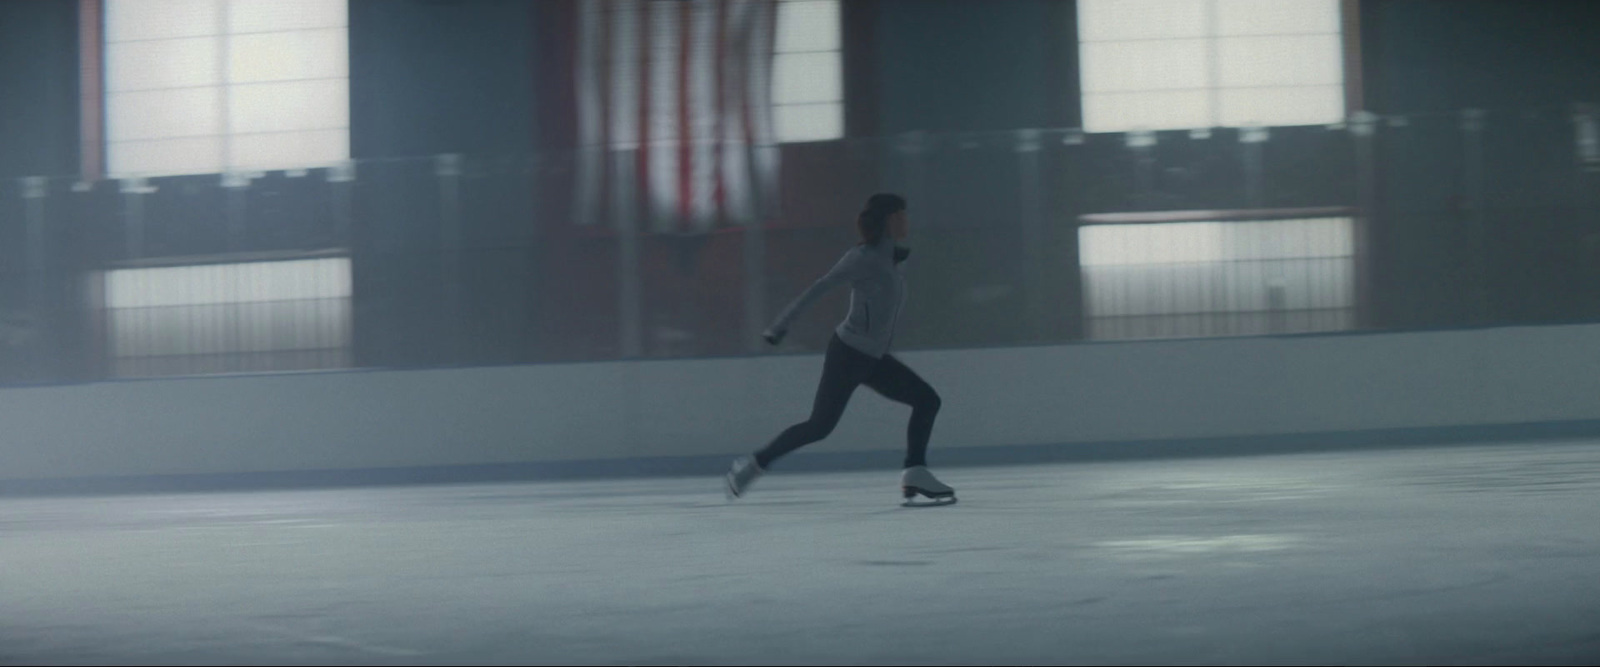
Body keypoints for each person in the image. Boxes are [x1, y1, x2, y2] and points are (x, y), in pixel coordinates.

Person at [725, 193, 955, 506]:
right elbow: (819, 287)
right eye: (902, 214)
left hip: (873, 359)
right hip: (847, 354)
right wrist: (779, 326)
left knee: (927, 400)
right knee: (819, 427)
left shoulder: (891, 258)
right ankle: (751, 467)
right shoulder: (863, 257)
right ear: (890, 219)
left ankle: (914, 471)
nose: (907, 220)